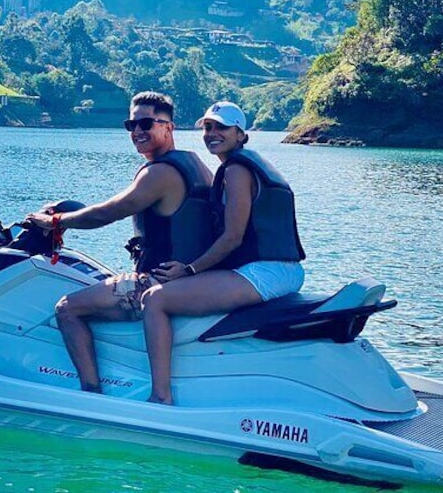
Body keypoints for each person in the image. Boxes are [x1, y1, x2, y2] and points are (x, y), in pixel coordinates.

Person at [26, 91, 214, 393]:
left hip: (156, 281)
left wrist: (55, 223)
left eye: (146, 123)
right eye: (131, 125)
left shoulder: (160, 173)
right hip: (189, 278)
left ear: (169, 127)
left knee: (67, 308)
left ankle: (91, 392)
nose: (137, 131)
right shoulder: (195, 164)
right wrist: (68, 209)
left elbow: (110, 212)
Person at [141, 101, 307, 404]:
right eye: (207, 127)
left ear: (240, 134)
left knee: (156, 299)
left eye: (221, 127)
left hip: (264, 272)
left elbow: (232, 237)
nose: (212, 133)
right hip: (276, 269)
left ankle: (160, 396)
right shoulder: (252, 162)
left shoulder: (236, 170)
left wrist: (188, 269)